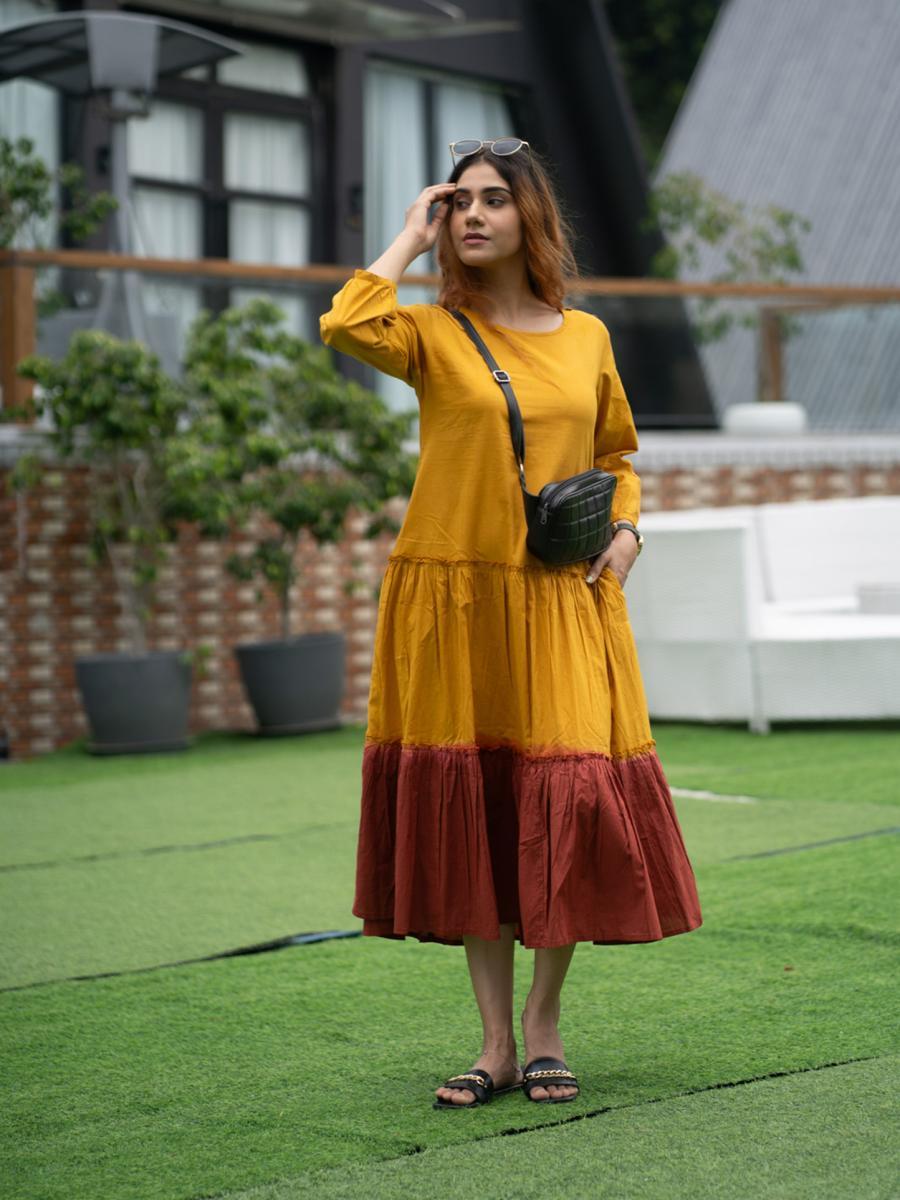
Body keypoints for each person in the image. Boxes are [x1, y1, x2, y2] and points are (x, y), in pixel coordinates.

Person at [319, 137, 702, 1111]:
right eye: (458, 203)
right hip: (455, 603)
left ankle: (544, 1026)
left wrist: (628, 534)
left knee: (564, 800)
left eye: (493, 199)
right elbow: (346, 322)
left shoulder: (587, 337)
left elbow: (615, 455)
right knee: (480, 813)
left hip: (561, 598)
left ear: (532, 216)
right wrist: (408, 236)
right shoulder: (431, 332)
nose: (474, 216)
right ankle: (493, 1045)